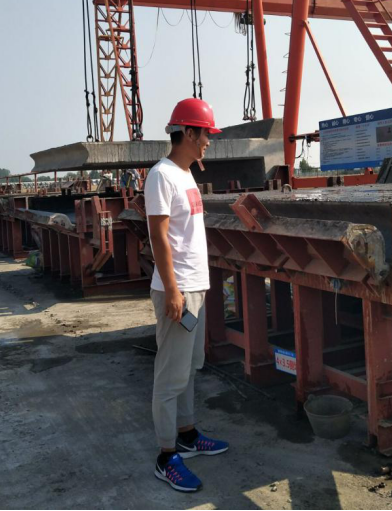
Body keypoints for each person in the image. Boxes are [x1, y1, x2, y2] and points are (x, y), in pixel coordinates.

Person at [145, 98, 227, 493]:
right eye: (206, 134)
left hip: (195, 287)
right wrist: (173, 290)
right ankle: (166, 456)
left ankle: (188, 434)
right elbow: (158, 236)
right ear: (189, 133)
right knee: (169, 376)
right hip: (177, 291)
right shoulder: (162, 175)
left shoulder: (186, 174)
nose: (209, 141)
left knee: (190, 368)